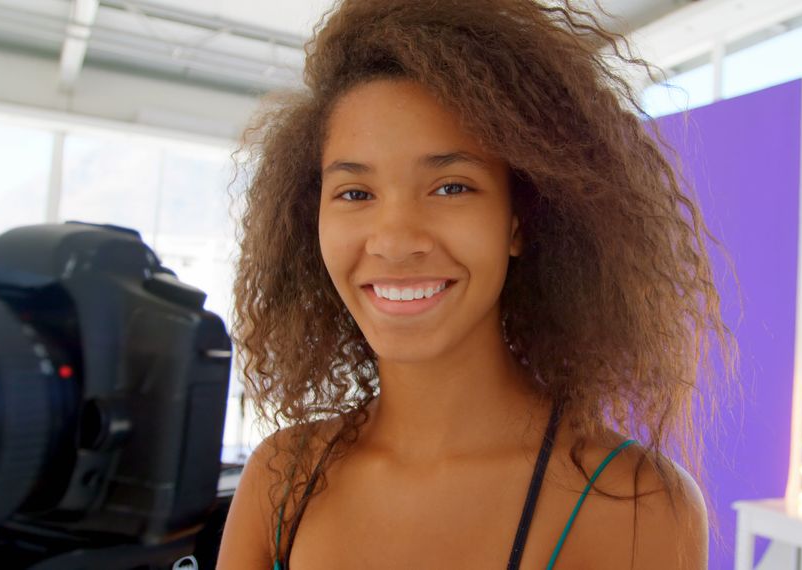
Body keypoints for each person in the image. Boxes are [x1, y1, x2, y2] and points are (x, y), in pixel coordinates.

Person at [218, 0, 735, 568]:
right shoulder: (281, 479)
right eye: (355, 193)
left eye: (451, 187)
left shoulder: (640, 506)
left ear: (518, 219)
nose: (393, 240)